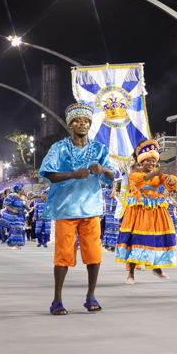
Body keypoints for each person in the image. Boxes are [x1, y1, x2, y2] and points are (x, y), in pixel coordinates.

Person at [39, 103, 115, 315]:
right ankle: (57, 300)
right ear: (69, 125)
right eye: (77, 121)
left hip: (91, 209)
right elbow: (48, 174)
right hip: (66, 209)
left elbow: (112, 175)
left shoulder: (100, 149)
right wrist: (72, 174)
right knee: (63, 255)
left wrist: (104, 169)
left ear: (90, 125)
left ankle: (91, 295)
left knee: (94, 254)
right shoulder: (59, 148)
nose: (82, 124)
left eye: (86, 121)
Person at [116, 139, 177, 284]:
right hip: (139, 210)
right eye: (148, 161)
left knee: (156, 238)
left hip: (155, 210)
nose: (151, 163)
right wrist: (155, 173)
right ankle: (131, 273)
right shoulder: (134, 173)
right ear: (141, 161)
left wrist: (170, 180)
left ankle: (156, 268)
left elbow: (170, 184)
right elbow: (141, 181)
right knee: (136, 238)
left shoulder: (158, 174)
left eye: (153, 161)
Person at [2, 183, 27, 249]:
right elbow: (7, 205)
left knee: (20, 229)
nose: (23, 190)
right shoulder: (12, 196)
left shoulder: (24, 197)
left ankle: (12, 242)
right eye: (22, 189)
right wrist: (12, 210)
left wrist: (27, 204)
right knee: (16, 228)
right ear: (18, 190)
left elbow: (26, 207)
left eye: (23, 189)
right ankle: (14, 245)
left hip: (21, 215)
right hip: (14, 215)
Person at [102, 183, 119, 252]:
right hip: (116, 217)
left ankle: (107, 245)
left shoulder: (106, 193)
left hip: (108, 217)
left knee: (107, 231)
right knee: (115, 231)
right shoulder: (118, 195)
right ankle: (113, 247)